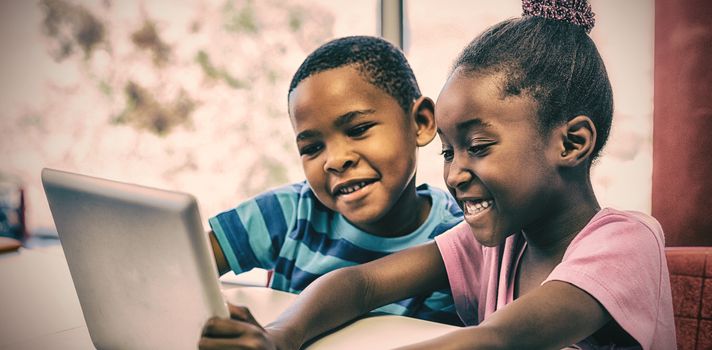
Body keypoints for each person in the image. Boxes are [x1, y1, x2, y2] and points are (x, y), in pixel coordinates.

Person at [200, 0, 677, 349]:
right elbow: (360, 284)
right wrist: (283, 336)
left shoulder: (626, 244)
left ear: (571, 143)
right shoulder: (494, 244)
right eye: (449, 152)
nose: (455, 172)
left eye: (479, 147)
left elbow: (497, 339)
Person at [208, 35, 464, 325]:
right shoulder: (288, 211)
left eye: (358, 129)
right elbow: (180, 265)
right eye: (312, 148)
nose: (335, 160)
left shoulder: (457, 242)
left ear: (421, 123)